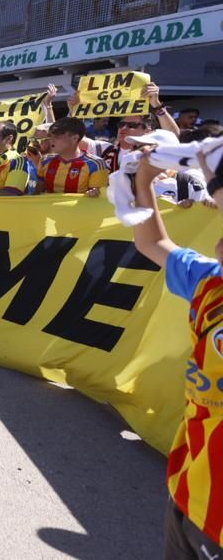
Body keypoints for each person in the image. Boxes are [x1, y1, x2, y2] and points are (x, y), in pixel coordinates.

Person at [128, 146, 223, 558]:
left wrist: (215, 173)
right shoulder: (210, 281)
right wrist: (143, 181)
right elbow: (153, 242)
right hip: (189, 490)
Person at [36, 117, 109, 197]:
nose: (51, 140)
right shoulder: (45, 160)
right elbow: (37, 193)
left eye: (57, 137)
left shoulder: (96, 164)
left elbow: (100, 199)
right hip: (49, 209)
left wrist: (94, 193)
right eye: (50, 136)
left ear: (74, 138)